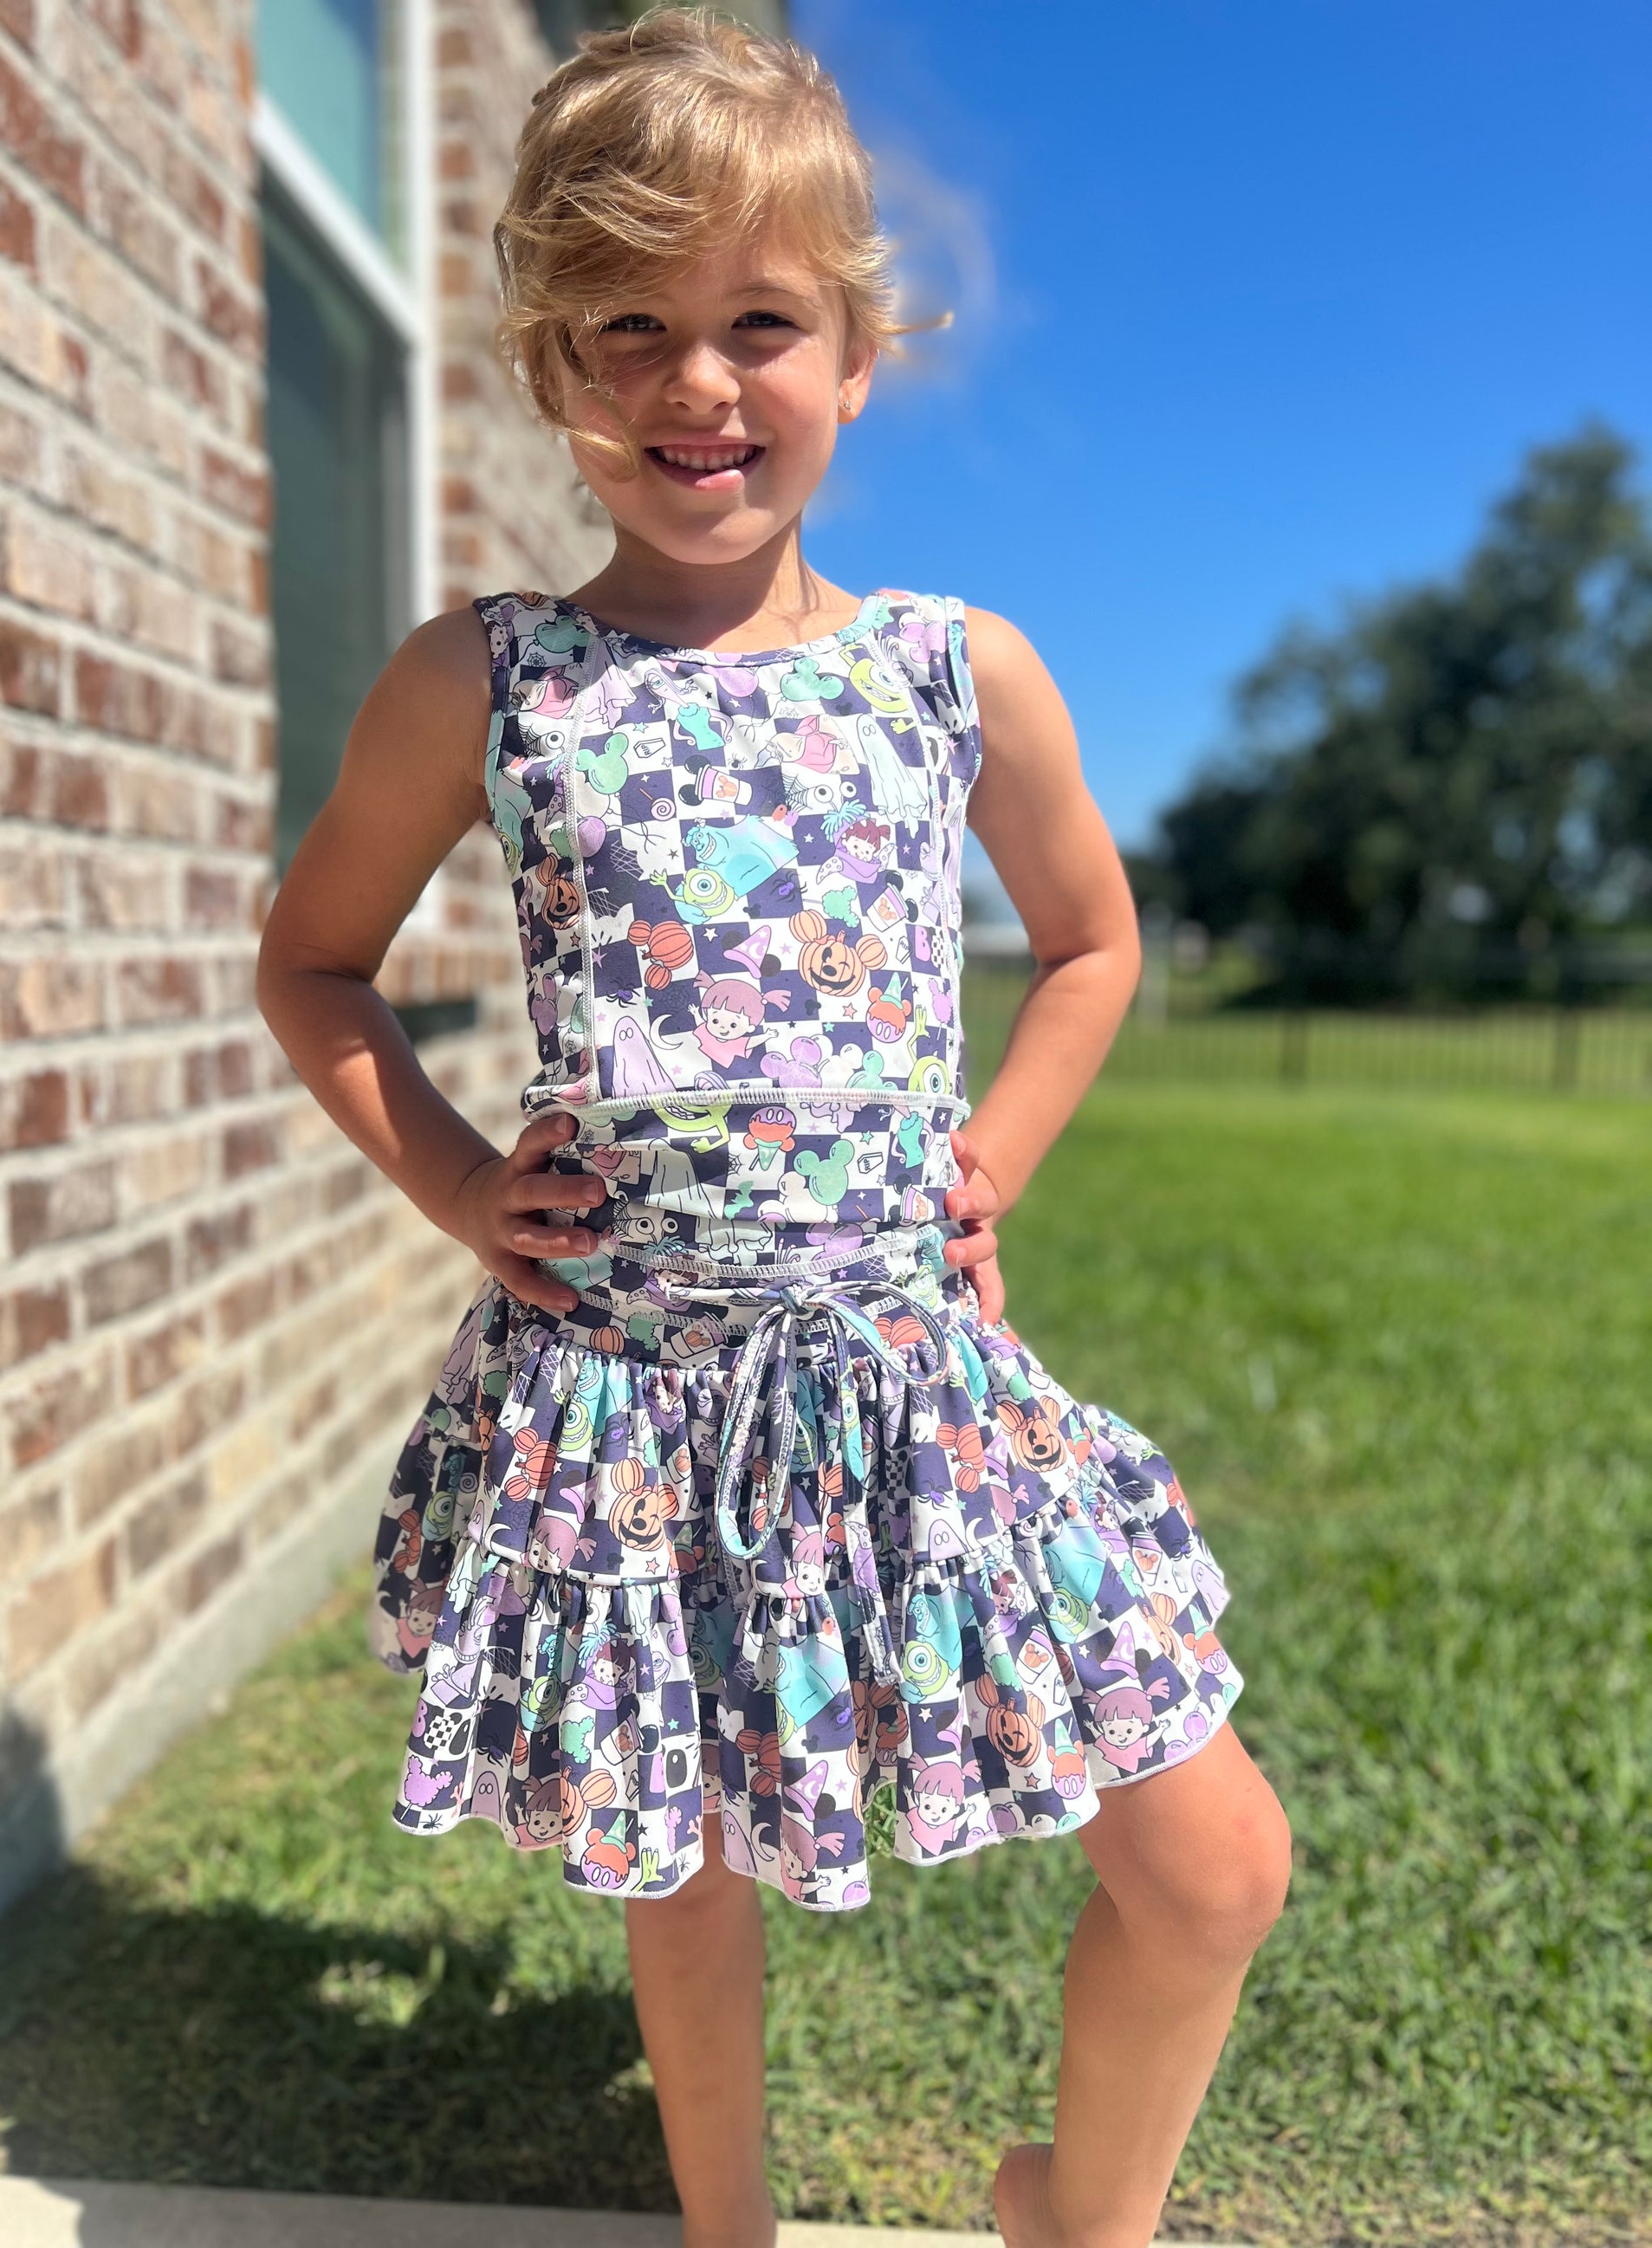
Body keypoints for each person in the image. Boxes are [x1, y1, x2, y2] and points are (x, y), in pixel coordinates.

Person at [255, 14, 1292, 2248]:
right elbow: (313, 962)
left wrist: (990, 1159)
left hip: (911, 1382)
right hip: (626, 1398)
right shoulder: (489, 680)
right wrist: (460, 1183)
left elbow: (1090, 941)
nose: (698, 383)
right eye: (627, 328)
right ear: (551, 365)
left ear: (858, 352)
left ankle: (1080, 2219)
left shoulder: (953, 672)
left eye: (760, 321)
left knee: (1215, 1863)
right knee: (686, 1854)